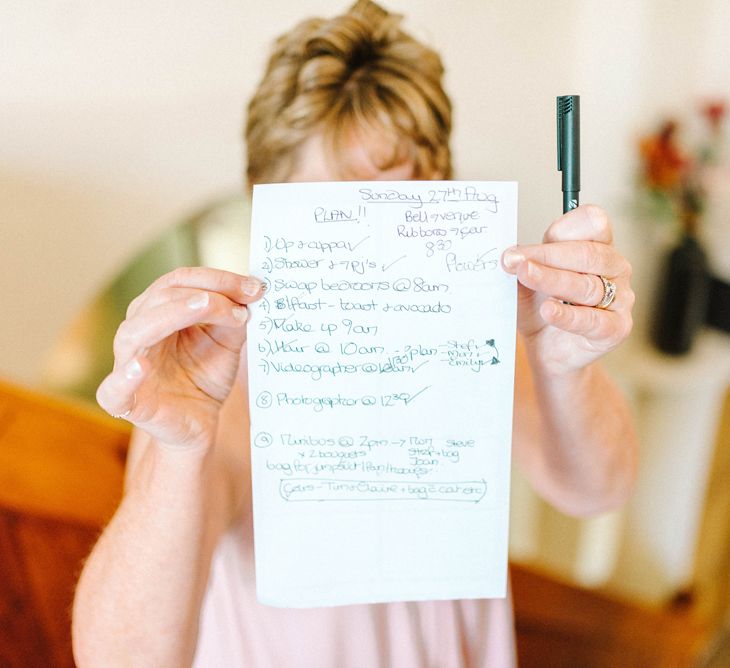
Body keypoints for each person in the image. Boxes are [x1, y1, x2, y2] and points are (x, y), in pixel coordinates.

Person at [72, 2, 638, 666]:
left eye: (398, 205)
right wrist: (175, 447)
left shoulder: (469, 339)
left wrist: (567, 365)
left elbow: (598, 489)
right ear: (264, 204)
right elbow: (122, 661)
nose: (368, 252)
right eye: (331, 214)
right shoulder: (213, 383)